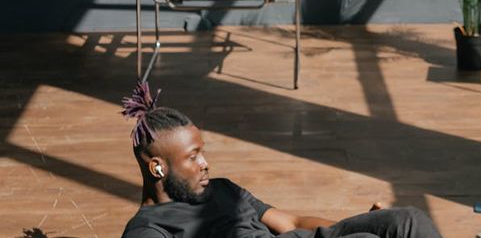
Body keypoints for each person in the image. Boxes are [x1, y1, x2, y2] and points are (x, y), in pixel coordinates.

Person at [121, 82, 442, 238]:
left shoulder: (222, 189)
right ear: (158, 167)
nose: (205, 163)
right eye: (193, 157)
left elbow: (291, 223)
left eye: (203, 152)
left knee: (408, 221)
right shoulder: (149, 229)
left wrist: (350, 225)